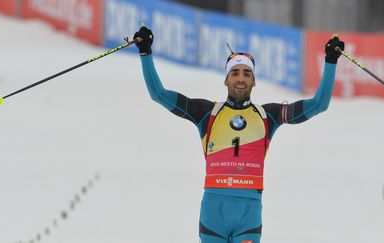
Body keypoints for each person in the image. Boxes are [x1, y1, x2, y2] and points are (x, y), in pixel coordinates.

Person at [133, 25, 344, 243]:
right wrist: (145, 53)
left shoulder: (267, 115)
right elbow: (158, 94)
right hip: (214, 211)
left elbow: (319, 104)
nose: (240, 78)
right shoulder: (207, 113)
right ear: (226, 80)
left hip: (248, 213)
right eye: (235, 73)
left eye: (246, 73)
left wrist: (330, 62)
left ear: (254, 80)